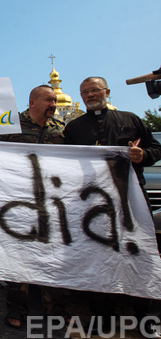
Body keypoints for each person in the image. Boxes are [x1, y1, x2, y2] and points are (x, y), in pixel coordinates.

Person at [64, 76, 161, 331]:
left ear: (106, 91)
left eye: (94, 90)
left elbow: (156, 148)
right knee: (98, 255)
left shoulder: (130, 120)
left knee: (139, 252)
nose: (89, 95)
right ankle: (102, 316)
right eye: (84, 92)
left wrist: (142, 155)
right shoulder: (74, 128)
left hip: (131, 199)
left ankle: (143, 317)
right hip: (92, 203)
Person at [0, 84, 65, 332]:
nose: (53, 105)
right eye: (49, 101)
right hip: (18, 201)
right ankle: (17, 307)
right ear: (32, 102)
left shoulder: (62, 131)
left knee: (53, 255)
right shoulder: (11, 126)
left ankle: (55, 309)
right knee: (19, 255)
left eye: (55, 101)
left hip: (50, 201)